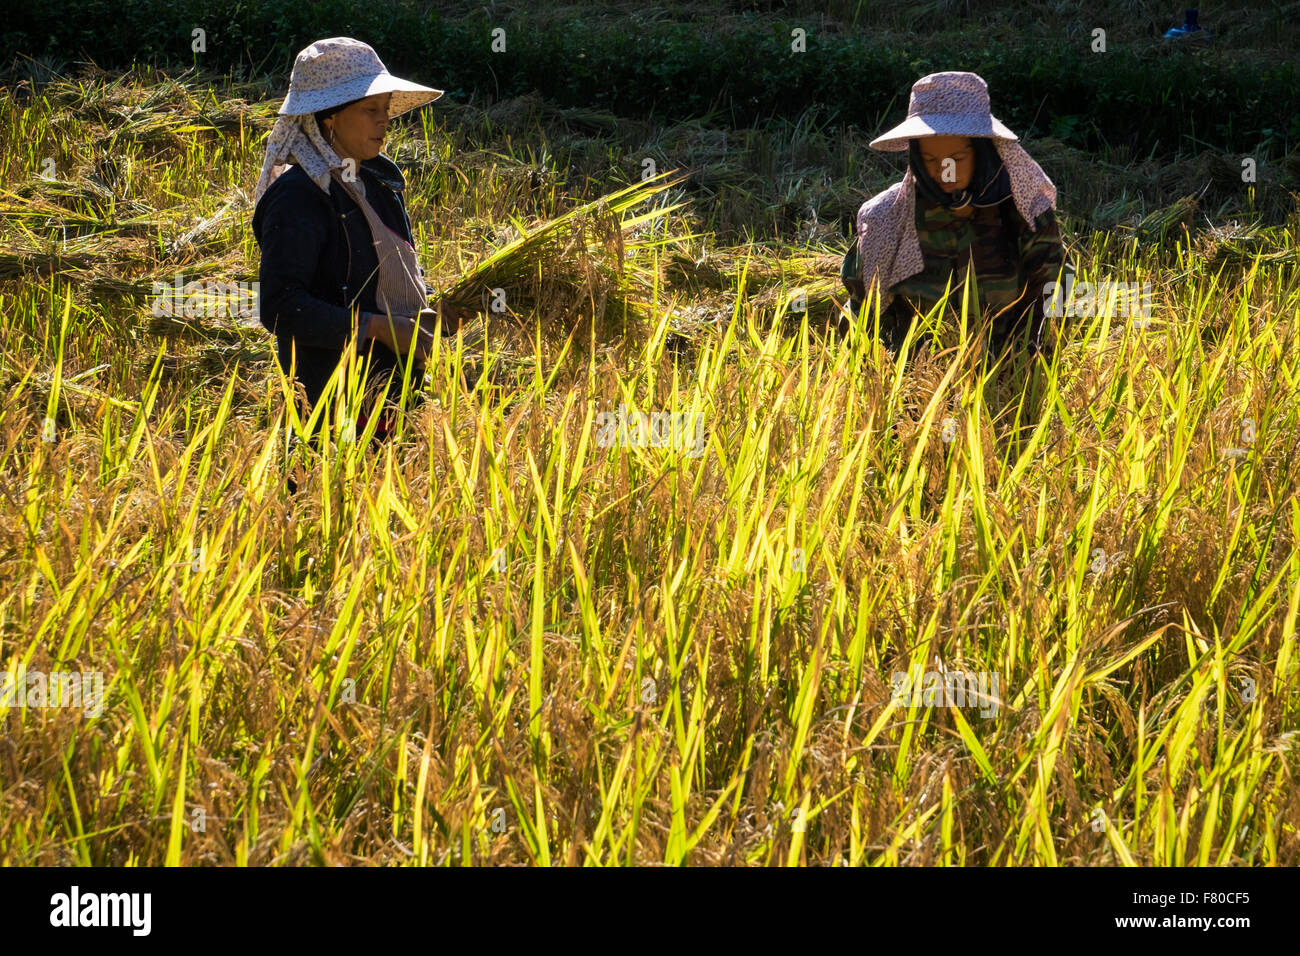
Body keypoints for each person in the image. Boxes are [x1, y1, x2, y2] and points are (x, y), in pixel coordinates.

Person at [252, 36, 466, 449]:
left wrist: (435, 312)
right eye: (370, 110)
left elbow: (393, 279)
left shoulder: (378, 184)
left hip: (394, 395)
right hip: (331, 405)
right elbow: (280, 307)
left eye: (385, 110)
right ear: (329, 116)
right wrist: (378, 329)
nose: (384, 120)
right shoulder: (299, 196)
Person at [841, 71, 1072, 359]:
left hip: (1005, 384)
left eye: (956, 159)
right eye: (930, 160)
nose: (943, 170)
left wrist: (1031, 364)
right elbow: (859, 312)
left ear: (984, 152)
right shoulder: (886, 218)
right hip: (913, 386)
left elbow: (1056, 292)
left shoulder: (1025, 211)